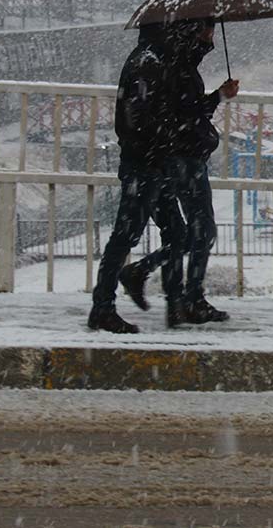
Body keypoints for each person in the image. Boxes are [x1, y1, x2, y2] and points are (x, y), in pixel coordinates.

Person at [88, 24, 191, 333]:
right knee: (124, 237)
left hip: (153, 165)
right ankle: (102, 307)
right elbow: (139, 117)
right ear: (165, 32)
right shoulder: (146, 63)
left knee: (177, 232)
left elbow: (149, 112)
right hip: (144, 165)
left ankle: (138, 273)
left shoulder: (153, 60)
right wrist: (167, 138)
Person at [153, 19, 237, 325]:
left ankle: (179, 300)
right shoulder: (181, 65)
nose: (210, 36)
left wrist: (216, 96)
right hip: (185, 158)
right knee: (203, 230)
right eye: (207, 30)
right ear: (192, 31)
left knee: (180, 232)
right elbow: (188, 112)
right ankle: (191, 298)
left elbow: (185, 109)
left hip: (177, 156)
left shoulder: (177, 60)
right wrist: (218, 97)